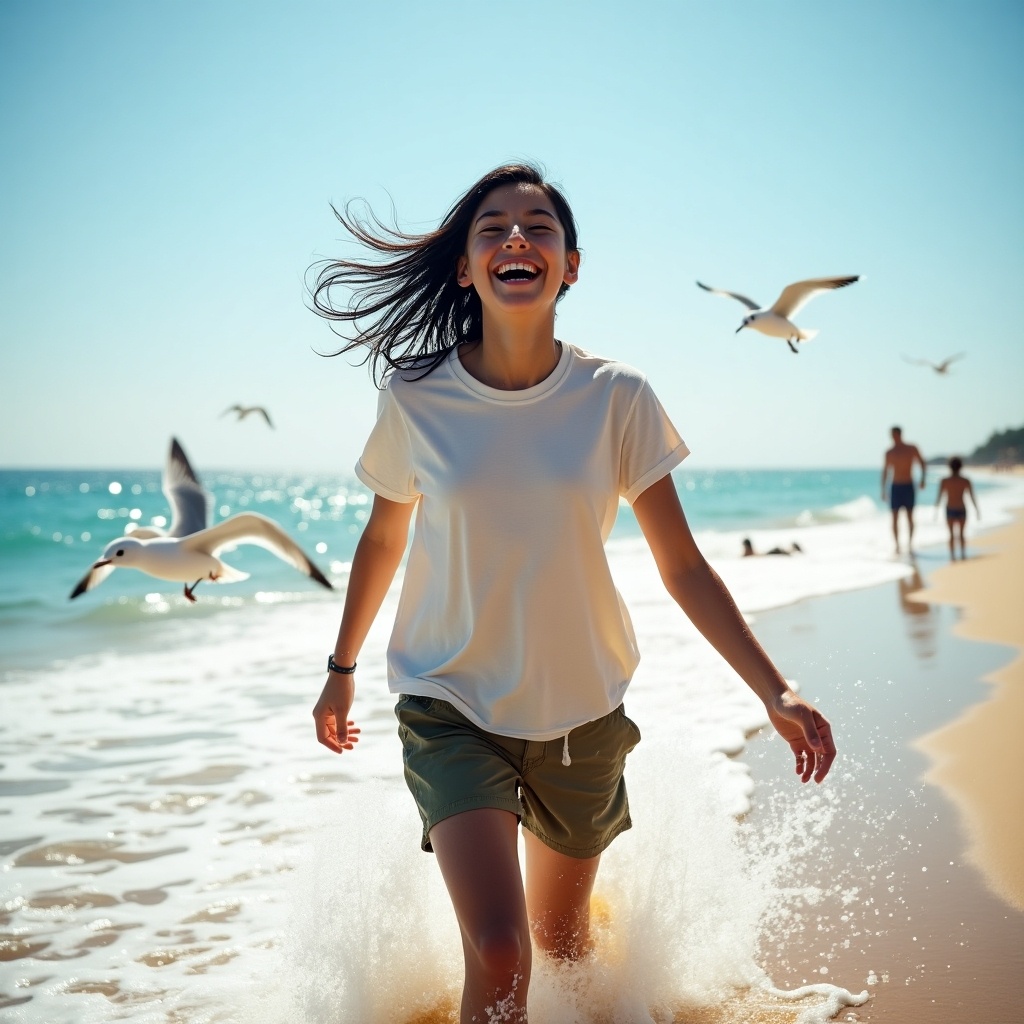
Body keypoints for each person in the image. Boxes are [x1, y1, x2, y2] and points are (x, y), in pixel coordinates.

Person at [309, 164, 836, 1024]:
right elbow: (382, 537)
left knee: (564, 952)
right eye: (493, 228)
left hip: (582, 714)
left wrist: (774, 689)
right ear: (465, 268)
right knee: (503, 952)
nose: (516, 237)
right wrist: (342, 666)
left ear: (571, 265)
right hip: (450, 704)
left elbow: (684, 566)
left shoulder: (616, 397)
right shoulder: (416, 398)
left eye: (538, 226)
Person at [881, 425, 927, 554]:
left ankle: (910, 544)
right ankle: (897, 545)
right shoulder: (889, 452)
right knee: (894, 517)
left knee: (910, 516)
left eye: (895, 435)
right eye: (892, 436)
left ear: (900, 434)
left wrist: (923, 480)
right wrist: (883, 490)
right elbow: (885, 471)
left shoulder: (911, 449)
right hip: (895, 487)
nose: (893, 438)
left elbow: (923, 463)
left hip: (908, 485)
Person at [935, 456, 980, 560]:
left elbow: (939, 496)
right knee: (961, 534)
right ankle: (963, 555)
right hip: (961, 508)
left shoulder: (945, 481)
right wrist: (977, 509)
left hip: (950, 509)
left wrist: (936, 510)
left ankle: (953, 556)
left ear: (949, 467)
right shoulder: (965, 480)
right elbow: (972, 496)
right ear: (961, 466)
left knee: (951, 534)